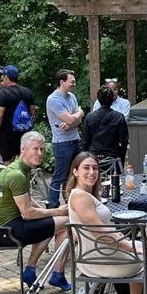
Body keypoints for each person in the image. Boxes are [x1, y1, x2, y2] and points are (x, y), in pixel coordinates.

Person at [65, 151, 144, 294]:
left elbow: (93, 230)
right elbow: (100, 232)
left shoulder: (81, 195)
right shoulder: (80, 196)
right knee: (144, 253)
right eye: (86, 168)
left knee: (139, 245)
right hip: (100, 261)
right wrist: (129, 247)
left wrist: (120, 239)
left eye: (95, 168)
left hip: (93, 256)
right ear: (75, 171)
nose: (92, 172)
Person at [0, 131, 71, 289]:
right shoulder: (17, 174)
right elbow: (28, 213)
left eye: (42, 149)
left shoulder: (22, 168)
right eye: (35, 149)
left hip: (5, 226)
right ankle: (57, 274)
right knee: (67, 223)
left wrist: (48, 214)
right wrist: (58, 212)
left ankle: (32, 272)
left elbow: (28, 200)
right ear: (23, 149)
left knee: (51, 223)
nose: (40, 153)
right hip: (5, 232)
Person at [46, 69, 85, 207]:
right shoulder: (54, 99)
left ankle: (69, 203)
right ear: (62, 82)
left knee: (72, 175)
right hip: (62, 143)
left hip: (74, 140)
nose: (74, 84)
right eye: (71, 81)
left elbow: (76, 120)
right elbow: (72, 118)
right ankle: (53, 206)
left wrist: (72, 121)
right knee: (59, 176)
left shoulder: (72, 96)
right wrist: (78, 113)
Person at [80, 85, 129, 176]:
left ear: (98, 99)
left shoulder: (90, 117)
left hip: (93, 158)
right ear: (112, 99)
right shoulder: (119, 117)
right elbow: (124, 141)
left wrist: (87, 157)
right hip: (113, 158)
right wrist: (120, 158)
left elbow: (85, 141)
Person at [0, 67, 36, 159]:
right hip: (24, 132)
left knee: (8, 161)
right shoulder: (27, 91)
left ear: (6, 77)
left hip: (7, 133)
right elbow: (32, 111)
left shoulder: (4, 93)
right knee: (23, 159)